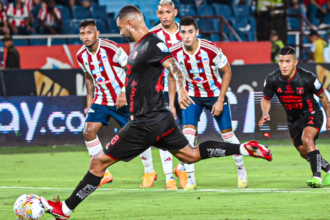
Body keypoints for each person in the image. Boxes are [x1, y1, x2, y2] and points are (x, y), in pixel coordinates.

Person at [39, 6, 272, 219]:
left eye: (121, 28)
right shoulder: (140, 48)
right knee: (189, 155)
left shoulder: (152, 44)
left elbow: (174, 66)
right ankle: (244, 148)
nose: (120, 33)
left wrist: (181, 89)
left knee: (97, 165)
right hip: (160, 119)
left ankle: (65, 210)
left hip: (145, 122)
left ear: (130, 24)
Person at [170, 16, 248, 190]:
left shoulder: (210, 49)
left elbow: (227, 71)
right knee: (188, 137)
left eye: (190, 32)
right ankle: (191, 179)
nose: (187, 36)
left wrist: (221, 99)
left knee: (228, 136)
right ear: (179, 34)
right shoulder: (174, 51)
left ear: (197, 33)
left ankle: (241, 170)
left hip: (214, 95)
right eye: (183, 32)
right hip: (192, 96)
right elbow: (171, 74)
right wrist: (179, 93)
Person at [260, 46, 330, 188]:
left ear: (295, 62)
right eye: (281, 61)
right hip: (293, 120)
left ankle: (317, 177)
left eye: (288, 61)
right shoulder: (272, 79)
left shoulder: (307, 78)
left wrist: (329, 117)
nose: (284, 65)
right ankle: (328, 169)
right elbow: (266, 99)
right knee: (304, 152)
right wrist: (265, 113)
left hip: (311, 113)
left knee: (307, 138)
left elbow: (323, 98)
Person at [76, 19, 129, 188]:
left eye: (89, 33)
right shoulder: (80, 55)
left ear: (97, 33)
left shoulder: (111, 48)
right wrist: (90, 103)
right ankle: (103, 173)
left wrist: (123, 92)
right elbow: (89, 80)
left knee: (140, 134)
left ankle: (150, 171)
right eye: (83, 33)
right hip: (102, 99)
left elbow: (131, 68)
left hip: (122, 99)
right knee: (88, 131)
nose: (86, 36)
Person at [138, 0, 184, 190]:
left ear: (175, 12)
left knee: (191, 132)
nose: (165, 16)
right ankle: (165, 176)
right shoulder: (153, 35)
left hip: (186, 88)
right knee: (156, 130)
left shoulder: (186, 31)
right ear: (157, 15)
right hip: (160, 90)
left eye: (168, 12)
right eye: (161, 13)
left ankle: (181, 168)